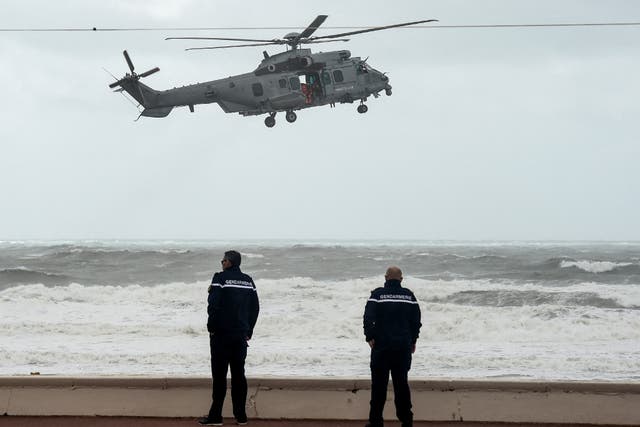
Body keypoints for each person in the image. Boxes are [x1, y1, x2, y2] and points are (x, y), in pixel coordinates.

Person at [200, 250, 260, 426]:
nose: (221, 262)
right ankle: (241, 417)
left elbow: (213, 305)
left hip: (221, 335)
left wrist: (211, 328)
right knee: (239, 375)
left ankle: (216, 416)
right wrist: (249, 330)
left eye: (223, 260)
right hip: (240, 335)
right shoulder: (248, 281)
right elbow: (255, 308)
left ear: (229, 262)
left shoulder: (220, 278)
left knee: (219, 376)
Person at [363, 266, 422, 427]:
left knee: (379, 386)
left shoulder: (377, 295)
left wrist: (370, 336)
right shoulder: (409, 295)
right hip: (402, 347)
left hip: (381, 346)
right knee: (401, 384)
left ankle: (375, 421)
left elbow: (368, 317)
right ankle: (406, 420)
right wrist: (413, 340)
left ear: (385, 278)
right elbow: (416, 320)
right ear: (401, 279)